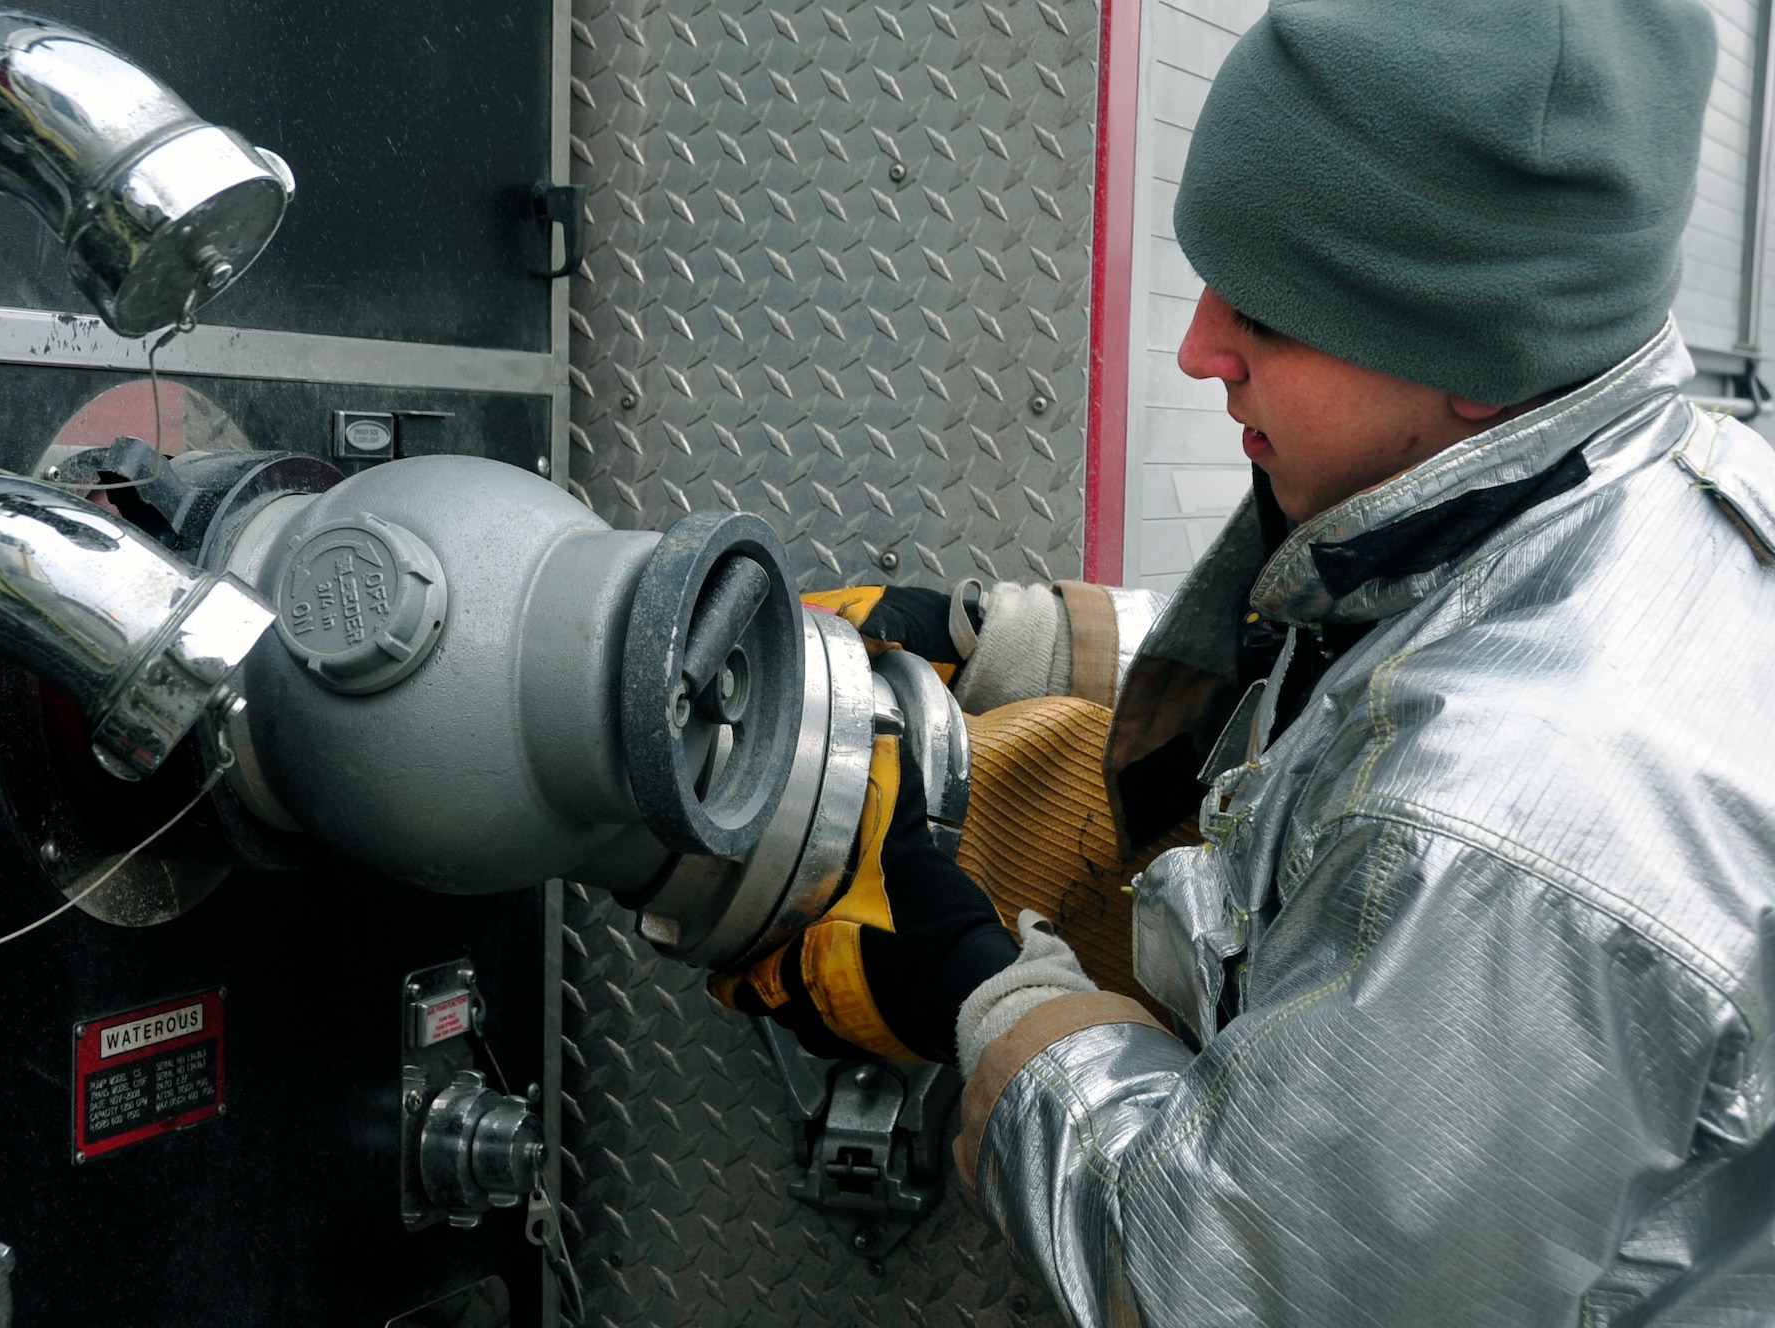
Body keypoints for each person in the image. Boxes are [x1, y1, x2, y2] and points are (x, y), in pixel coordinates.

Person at [713, 0, 1775, 1321]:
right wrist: (1037, 644)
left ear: (1478, 358)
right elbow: (1405, 634)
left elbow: (1228, 1287)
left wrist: (985, 997)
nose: (1199, 347)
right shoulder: (1637, 480)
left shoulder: (1501, 837)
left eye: (1266, 315)